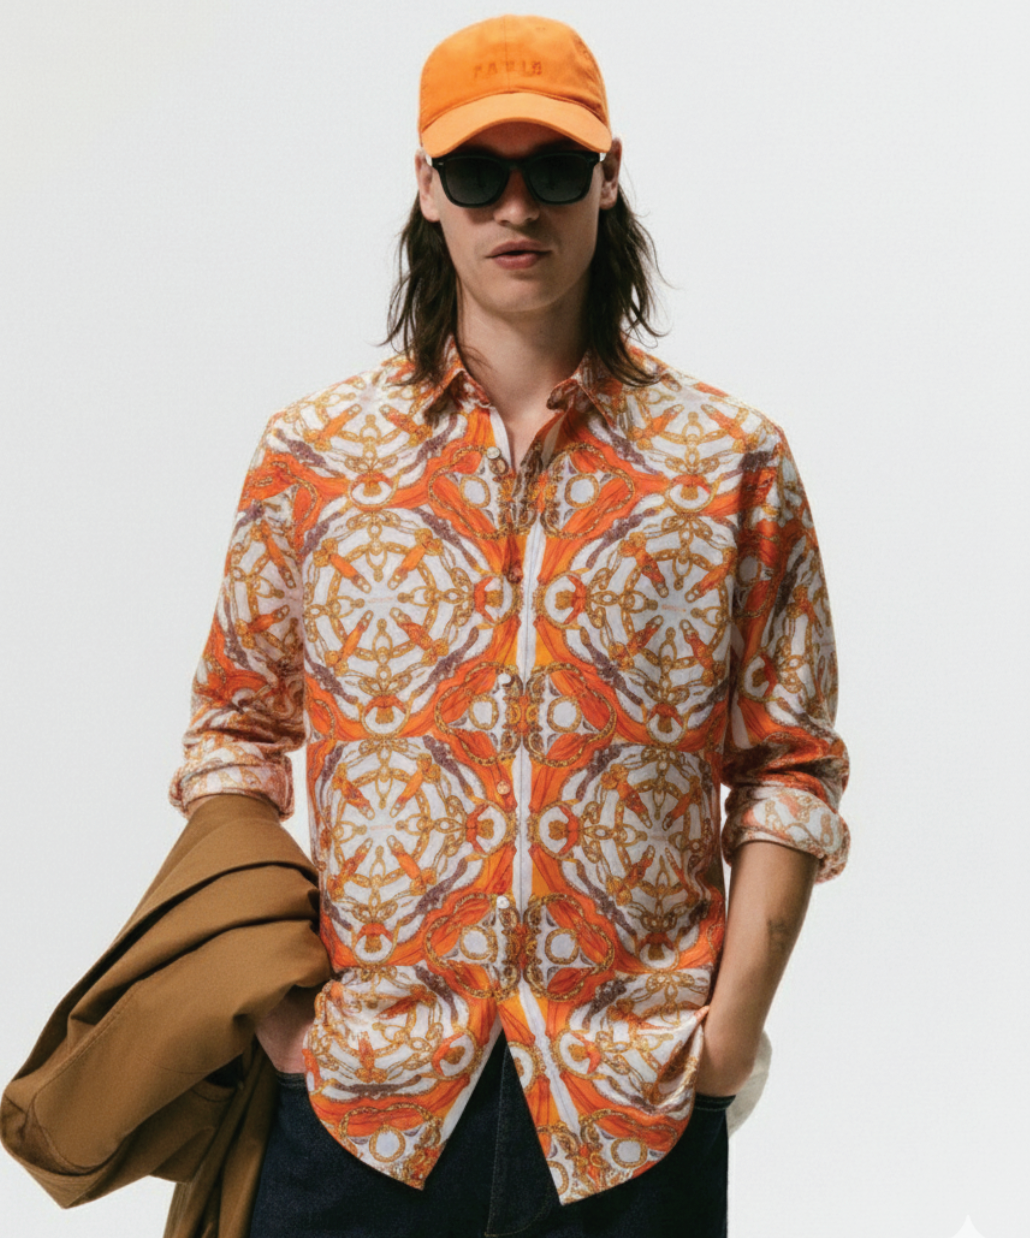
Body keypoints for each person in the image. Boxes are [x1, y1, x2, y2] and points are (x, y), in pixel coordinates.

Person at [170, 14, 849, 1237]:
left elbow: (789, 766)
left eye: (556, 169)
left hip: (628, 1107)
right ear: (427, 185)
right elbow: (234, 734)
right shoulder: (315, 455)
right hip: (363, 1102)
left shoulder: (728, 461)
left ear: (609, 174)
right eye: (479, 172)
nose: (517, 207)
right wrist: (282, 1021)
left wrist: (726, 1035)